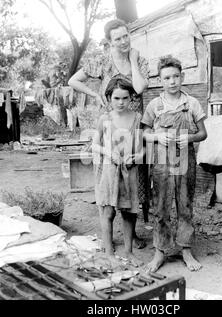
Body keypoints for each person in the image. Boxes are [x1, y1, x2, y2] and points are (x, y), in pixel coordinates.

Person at [68, 18, 150, 249]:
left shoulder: (140, 60)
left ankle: (130, 235)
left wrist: (132, 59)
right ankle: (108, 236)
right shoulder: (102, 62)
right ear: (109, 41)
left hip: (133, 128)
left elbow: (140, 88)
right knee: (109, 180)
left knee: (134, 182)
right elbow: (73, 80)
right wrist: (94, 95)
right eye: (118, 38)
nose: (124, 41)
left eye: (126, 36)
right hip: (110, 128)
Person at [141, 56, 207, 272]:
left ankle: (186, 250)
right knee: (160, 207)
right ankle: (160, 252)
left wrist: (189, 137)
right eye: (167, 77)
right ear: (160, 80)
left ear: (182, 77)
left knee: (185, 206)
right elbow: (144, 133)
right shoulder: (155, 105)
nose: (172, 81)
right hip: (161, 164)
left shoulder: (192, 104)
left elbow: (203, 133)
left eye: (176, 76)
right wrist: (157, 137)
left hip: (186, 163)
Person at [92, 78, 144, 267]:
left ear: (131, 98)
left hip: (129, 170)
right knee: (108, 211)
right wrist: (109, 152)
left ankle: (129, 252)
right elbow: (94, 145)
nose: (120, 102)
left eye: (125, 98)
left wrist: (136, 157)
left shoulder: (137, 118)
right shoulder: (104, 119)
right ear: (108, 98)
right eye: (116, 98)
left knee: (129, 212)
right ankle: (109, 253)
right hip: (109, 169)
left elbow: (141, 148)